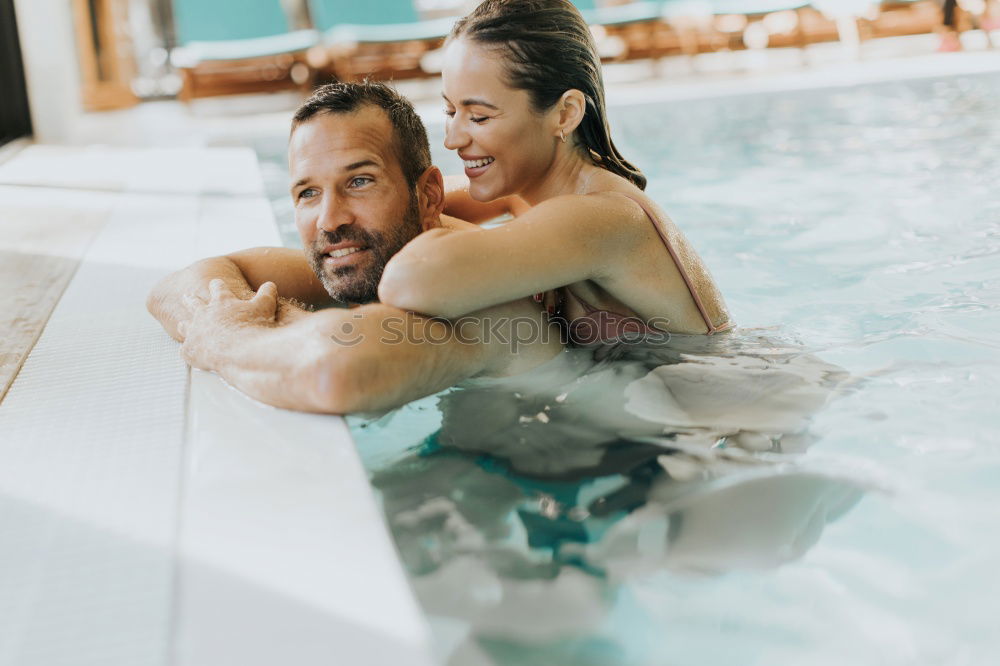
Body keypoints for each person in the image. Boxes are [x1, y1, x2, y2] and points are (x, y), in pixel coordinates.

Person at [146, 81, 563, 414]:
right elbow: (178, 286)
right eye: (308, 192)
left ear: (429, 196)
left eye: (359, 181)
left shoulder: (479, 290)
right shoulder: (368, 256)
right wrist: (288, 324)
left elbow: (337, 372)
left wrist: (227, 336)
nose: (330, 220)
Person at [377, 0, 733, 344]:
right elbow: (408, 203)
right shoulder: (530, 193)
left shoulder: (603, 216)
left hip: (724, 394)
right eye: (451, 111)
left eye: (480, 117)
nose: (452, 139)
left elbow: (410, 281)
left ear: (565, 114)